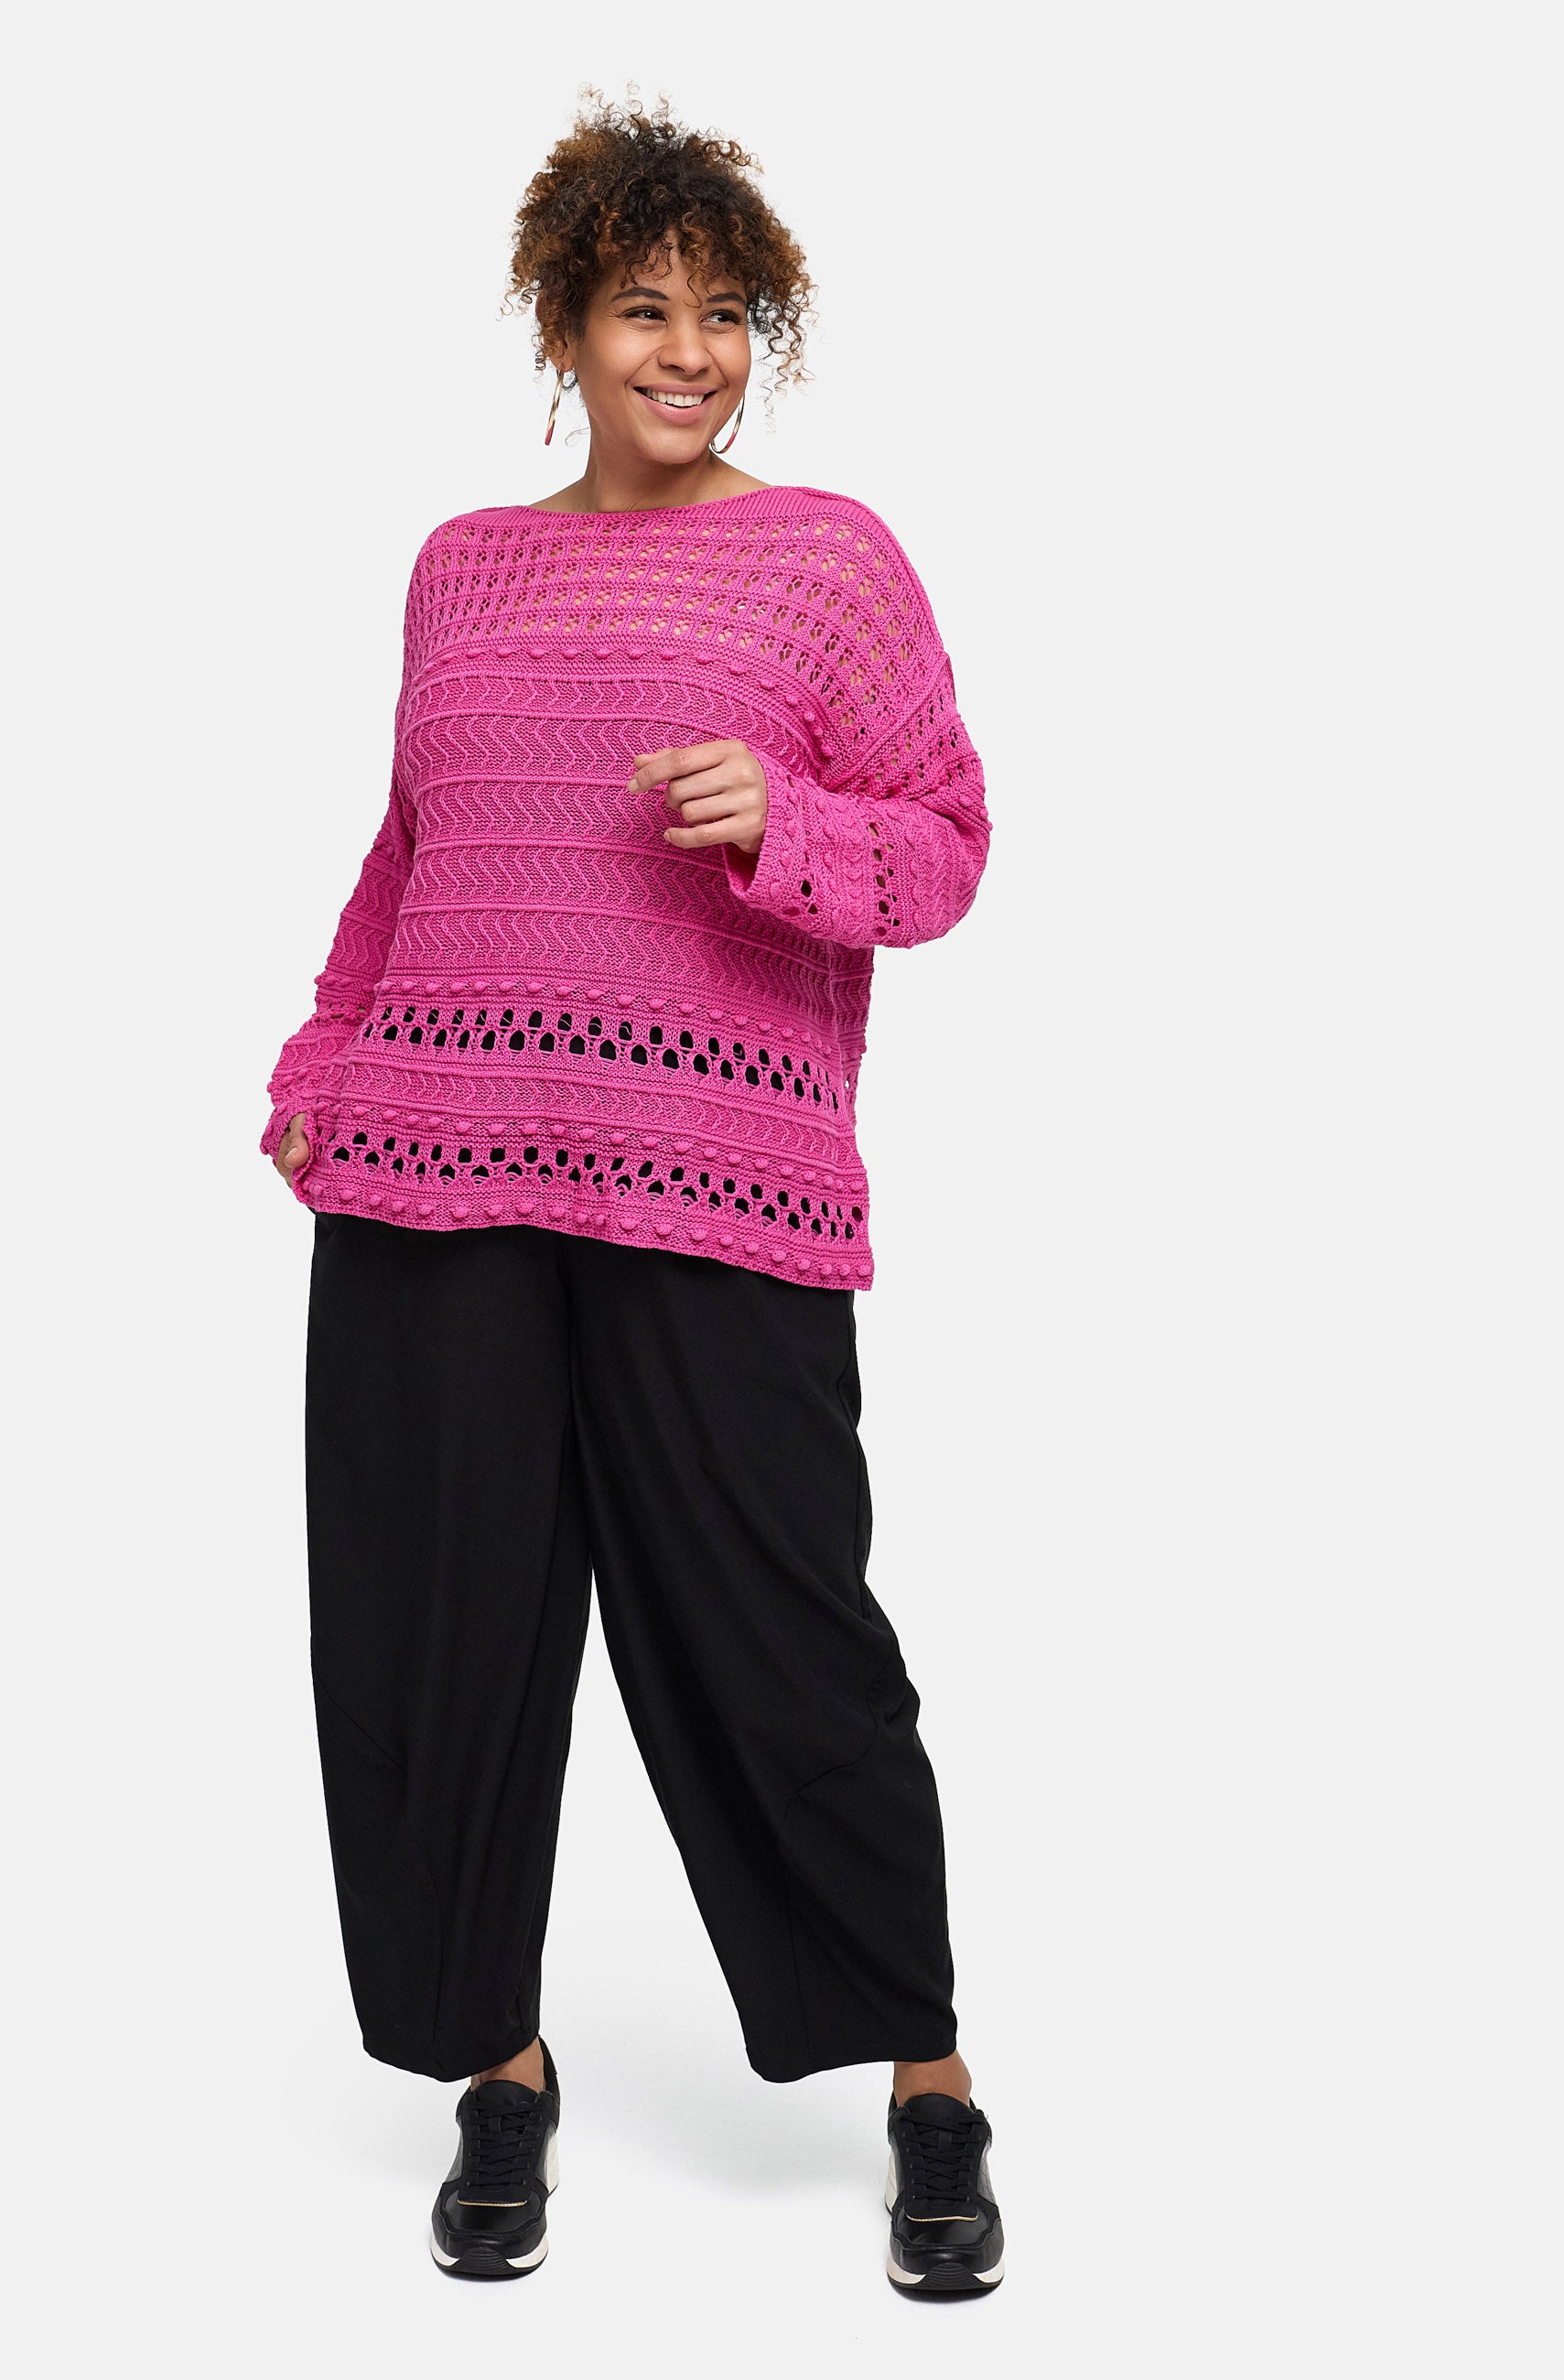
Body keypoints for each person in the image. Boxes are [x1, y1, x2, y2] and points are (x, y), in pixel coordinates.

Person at [263, 99, 1002, 2295]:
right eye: (641, 310)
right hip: (429, 1172)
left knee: (781, 1635)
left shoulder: (829, 562)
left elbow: (947, 844)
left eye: (724, 314)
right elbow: (415, 849)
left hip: (716, 1173)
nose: (687, 352)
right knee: (430, 1633)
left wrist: (785, 813)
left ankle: (928, 2074)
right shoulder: (459, 567)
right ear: (563, 327)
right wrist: (321, 1061)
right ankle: (495, 2063)